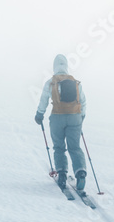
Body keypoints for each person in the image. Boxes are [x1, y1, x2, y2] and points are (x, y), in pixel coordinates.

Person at [35, 54, 87, 191]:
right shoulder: (75, 82)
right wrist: (81, 117)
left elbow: (44, 100)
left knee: (59, 147)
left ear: (54, 66)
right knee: (75, 147)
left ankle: (62, 174)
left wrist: (39, 114)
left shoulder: (51, 82)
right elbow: (83, 101)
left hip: (57, 117)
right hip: (75, 117)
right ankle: (80, 173)